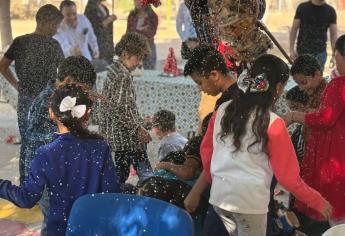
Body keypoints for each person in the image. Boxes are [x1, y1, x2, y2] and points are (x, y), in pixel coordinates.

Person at [200, 54, 331, 235]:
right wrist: (318, 201)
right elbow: (288, 178)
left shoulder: (223, 109)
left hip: (220, 198)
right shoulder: (273, 123)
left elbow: (206, 152)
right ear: (278, 87)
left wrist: (218, 180)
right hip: (250, 205)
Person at [0, 83, 120, 235]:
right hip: (94, 229)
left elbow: (27, 198)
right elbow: (112, 193)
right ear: (87, 113)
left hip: (60, 231)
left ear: (51, 112)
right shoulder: (100, 147)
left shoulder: (46, 154)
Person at [22, 56, 97, 235]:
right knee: (55, 222)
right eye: (82, 89)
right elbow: (32, 137)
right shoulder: (47, 101)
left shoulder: (64, 96)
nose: (83, 93)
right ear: (69, 80)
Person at [0, 4, 64, 185]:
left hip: (25, 98)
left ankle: (26, 183)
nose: (56, 30)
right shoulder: (53, 45)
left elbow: (2, 65)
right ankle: (45, 184)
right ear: (47, 23)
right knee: (48, 142)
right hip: (47, 100)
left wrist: (16, 84)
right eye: (55, 26)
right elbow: (64, 72)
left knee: (27, 142)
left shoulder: (20, 41)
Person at [286, 34, 345, 226]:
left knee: (334, 210)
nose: (335, 62)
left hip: (333, 153)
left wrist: (295, 116)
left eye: (336, 57)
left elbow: (325, 118)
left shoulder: (338, 85)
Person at [97, 32, 153, 186]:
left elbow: (118, 106)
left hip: (116, 134)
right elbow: (118, 110)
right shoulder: (123, 76)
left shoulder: (113, 70)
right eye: (138, 58)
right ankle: (149, 195)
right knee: (142, 173)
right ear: (125, 54)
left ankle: (115, 194)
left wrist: (141, 121)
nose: (140, 63)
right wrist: (138, 129)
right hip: (125, 138)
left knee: (121, 173)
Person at [287, 54, 327, 163]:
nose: (301, 87)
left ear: (317, 74)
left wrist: (295, 116)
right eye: (298, 83)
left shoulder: (329, 96)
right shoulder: (296, 95)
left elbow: (323, 118)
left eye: (304, 82)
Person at [55, 0, 106, 71]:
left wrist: (95, 49)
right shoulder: (58, 28)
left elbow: (91, 36)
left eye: (74, 13)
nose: (72, 17)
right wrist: (71, 51)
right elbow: (63, 45)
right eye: (68, 15)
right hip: (70, 66)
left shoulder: (83, 19)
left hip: (87, 60)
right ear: (61, 15)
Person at [289, 0, 337, 71]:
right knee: (302, 79)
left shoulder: (330, 11)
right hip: (302, 53)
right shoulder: (302, 7)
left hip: (320, 54)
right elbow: (294, 29)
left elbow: (334, 34)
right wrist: (291, 50)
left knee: (317, 80)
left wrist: (334, 55)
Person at [127, 0, 158, 69]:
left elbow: (151, 33)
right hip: (133, 47)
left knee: (150, 71)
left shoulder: (152, 16)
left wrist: (137, 31)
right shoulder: (132, 15)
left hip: (148, 46)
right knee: (133, 72)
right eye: (135, 1)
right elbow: (128, 32)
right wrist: (142, 30)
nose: (137, 2)